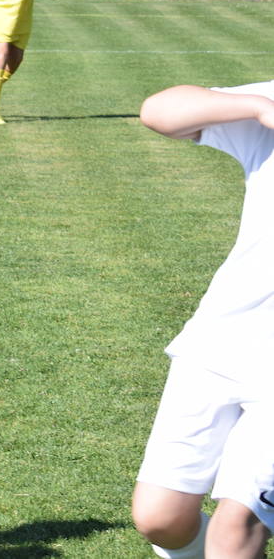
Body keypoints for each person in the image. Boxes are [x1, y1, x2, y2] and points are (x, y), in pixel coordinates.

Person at [132, 82, 274, 559]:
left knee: (236, 526)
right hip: (220, 341)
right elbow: (159, 112)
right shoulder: (268, 109)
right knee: (160, 519)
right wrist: (257, 108)